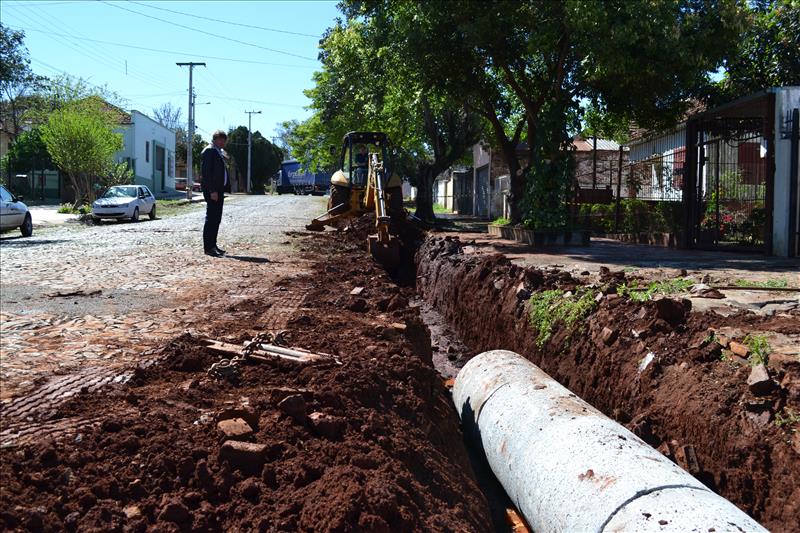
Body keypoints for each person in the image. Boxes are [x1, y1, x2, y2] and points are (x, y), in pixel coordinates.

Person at [201, 130, 229, 257]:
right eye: (220, 139)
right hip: (213, 191)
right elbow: (206, 173)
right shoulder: (209, 151)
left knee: (216, 219)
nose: (222, 142)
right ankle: (208, 247)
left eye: (224, 140)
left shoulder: (218, 151)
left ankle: (213, 245)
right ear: (215, 139)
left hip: (219, 190)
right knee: (211, 218)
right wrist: (212, 190)